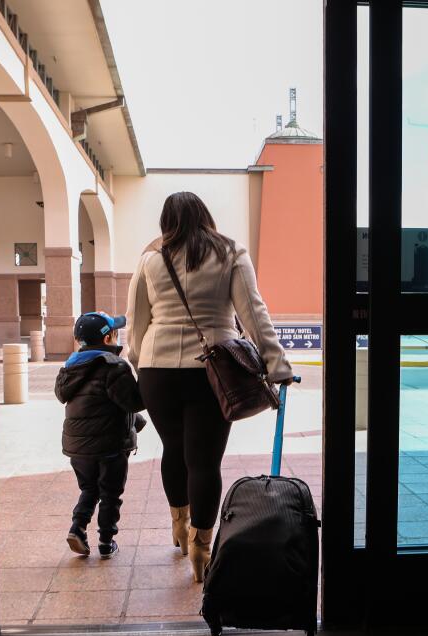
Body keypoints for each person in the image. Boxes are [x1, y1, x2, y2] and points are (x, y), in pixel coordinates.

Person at [125, 191, 293, 583]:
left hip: (158, 369)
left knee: (173, 449)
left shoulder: (150, 259)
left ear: (167, 221)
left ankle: (179, 526)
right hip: (213, 369)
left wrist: (138, 362)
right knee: (204, 461)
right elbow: (253, 312)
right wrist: (275, 362)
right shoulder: (231, 252)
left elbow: (136, 321)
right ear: (205, 216)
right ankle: (202, 547)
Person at [54, 311, 147, 559]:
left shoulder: (70, 367)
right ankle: (106, 542)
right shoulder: (113, 366)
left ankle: (78, 527)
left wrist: (136, 422)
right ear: (108, 339)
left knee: (89, 489)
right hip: (110, 445)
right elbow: (132, 401)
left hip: (78, 445)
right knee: (110, 493)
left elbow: (93, 402)